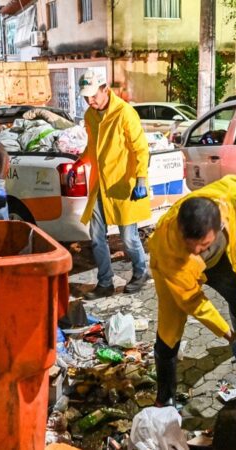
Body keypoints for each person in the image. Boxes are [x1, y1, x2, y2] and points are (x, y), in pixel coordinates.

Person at [148, 175, 236, 406]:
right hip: (174, 277)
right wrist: (227, 335)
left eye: (203, 245)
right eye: (191, 246)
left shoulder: (225, 197)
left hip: (218, 261)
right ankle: (165, 397)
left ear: (218, 226)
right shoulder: (170, 250)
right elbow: (195, 303)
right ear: (180, 227)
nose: (197, 252)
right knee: (169, 333)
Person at [74, 70, 151, 299]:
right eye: (86, 97)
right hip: (100, 185)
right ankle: (105, 282)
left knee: (129, 238)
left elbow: (140, 148)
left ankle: (141, 272)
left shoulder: (125, 113)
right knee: (96, 237)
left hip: (123, 185)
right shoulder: (90, 115)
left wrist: (141, 179)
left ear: (105, 89)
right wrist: (80, 163)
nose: (90, 101)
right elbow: (92, 148)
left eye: (93, 96)